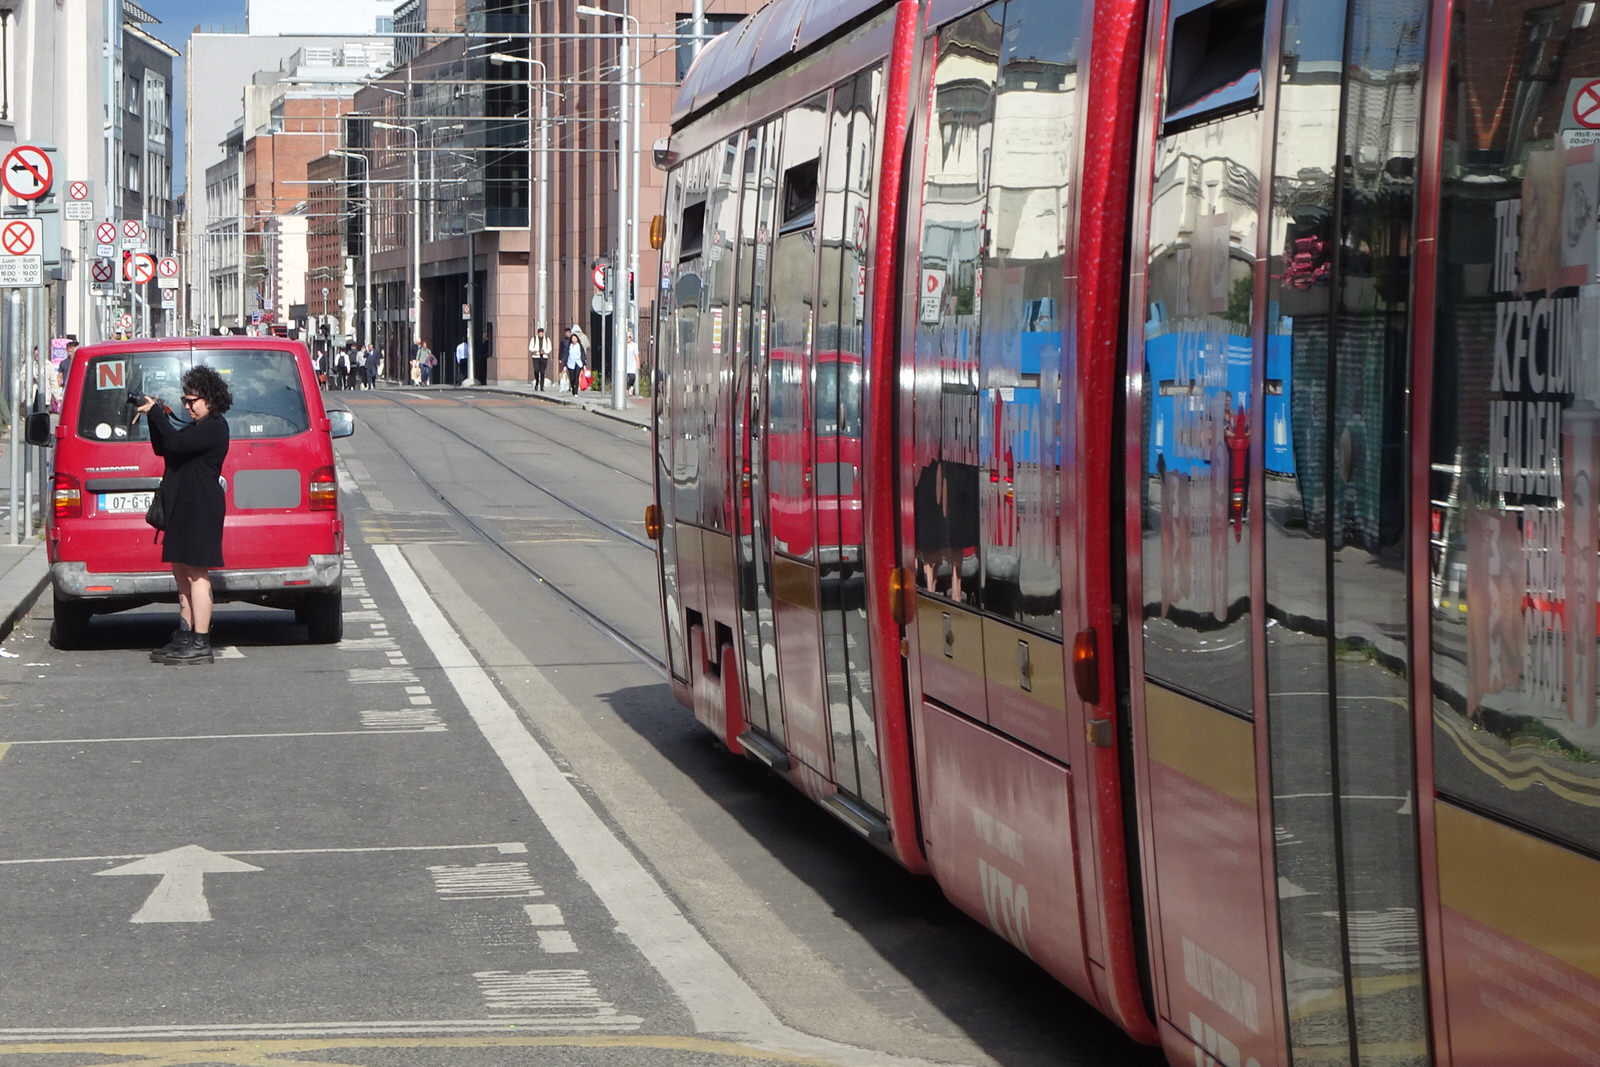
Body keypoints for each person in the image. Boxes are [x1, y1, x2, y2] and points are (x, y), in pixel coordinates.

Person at [136, 365, 233, 666]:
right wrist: (154, 418)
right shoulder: (196, 427)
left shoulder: (215, 426)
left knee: (197, 574)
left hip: (201, 508)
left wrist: (157, 414)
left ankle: (201, 641)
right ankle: (186, 632)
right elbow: (165, 447)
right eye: (185, 401)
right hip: (182, 505)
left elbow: (176, 443)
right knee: (181, 572)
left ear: (210, 399)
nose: (188, 406)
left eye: (193, 401)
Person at [565, 324, 586, 396]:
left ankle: (576, 391)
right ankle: (573, 388)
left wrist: (584, 364)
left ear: (577, 339)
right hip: (570, 363)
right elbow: (566, 355)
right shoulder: (569, 346)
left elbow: (583, 355)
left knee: (577, 376)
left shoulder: (579, 346)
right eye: (573, 339)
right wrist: (565, 365)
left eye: (575, 339)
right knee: (572, 377)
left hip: (578, 363)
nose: (574, 340)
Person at [529, 326, 551, 390]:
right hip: (536, 356)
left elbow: (549, 348)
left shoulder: (547, 339)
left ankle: (542, 386)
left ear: (543, 333)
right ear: (538, 333)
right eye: (539, 333)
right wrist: (535, 351)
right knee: (536, 370)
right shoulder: (534, 339)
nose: (541, 334)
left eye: (542, 333)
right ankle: (537, 381)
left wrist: (545, 352)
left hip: (544, 357)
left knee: (542, 372)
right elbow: (530, 347)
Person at [625, 329, 639, 394]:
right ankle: (628, 388)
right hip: (624, 365)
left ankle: (628, 387)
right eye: (627, 337)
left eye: (629, 337)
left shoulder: (634, 345)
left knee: (632, 377)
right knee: (625, 378)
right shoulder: (623, 345)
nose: (628, 338)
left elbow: (636, 356)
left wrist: (638, 365)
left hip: (632, 364)